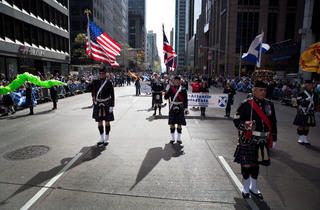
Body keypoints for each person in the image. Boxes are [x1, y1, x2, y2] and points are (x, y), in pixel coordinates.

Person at [233, 80, 277, 200]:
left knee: (256, 165)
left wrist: (274, 138)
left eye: (265, 90)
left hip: (263, 140)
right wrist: (247, 125)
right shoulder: (246, 104)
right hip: (249, 139)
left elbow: (273, 122)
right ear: (254, 91)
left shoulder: (269, 104)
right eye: (260, 90)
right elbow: (236, 120)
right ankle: (246, 188)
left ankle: (254, 187)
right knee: (247, 165)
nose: (263, 93)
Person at [92, 68, 115, 147]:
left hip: (107, 103)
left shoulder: (109, 83)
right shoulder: (96, 82)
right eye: (100, 73)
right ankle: (101, 138)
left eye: (102, 73)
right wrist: (91, 81)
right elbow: (89, 90)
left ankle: (107, 138)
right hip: (98, 103)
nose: (101, 74)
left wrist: (112, 105)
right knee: (99, 121)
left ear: (106, 74)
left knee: (107, 121)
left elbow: (112, 95)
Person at [293, 80, 319, 145]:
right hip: (302, 111)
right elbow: (298, 102)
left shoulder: (314, 94)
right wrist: (305, 100)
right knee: (301, 125)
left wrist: (316, 107)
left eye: (312, 84)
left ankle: (305, 138)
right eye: (309, 84)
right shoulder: (301, 93)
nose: (311, 86)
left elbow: (316, 103)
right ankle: (300, 137)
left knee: (307, 125)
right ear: (306, 85)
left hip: (310, 111)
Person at [164, 76, 188, 144]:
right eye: (175, 80)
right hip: (172, 106)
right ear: (173, 81)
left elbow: (185, 100)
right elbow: (166, 97)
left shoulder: (183, 89)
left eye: (178, 80)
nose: (177, 81)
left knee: (179, 123)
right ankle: (172, 138)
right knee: (172, 123)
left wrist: (186, 108)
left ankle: (179, 138)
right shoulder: (171, 88)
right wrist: (166, 90)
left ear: (180, 81)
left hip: (180, 107)